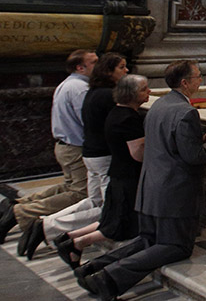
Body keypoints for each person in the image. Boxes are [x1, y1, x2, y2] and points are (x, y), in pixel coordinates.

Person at [77, 61, 206, 301]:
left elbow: (168, 143)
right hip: (174, 195)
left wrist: (199, 139)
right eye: (198, 76)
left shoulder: (158, 105)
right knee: (176, 246)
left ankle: (92, 268)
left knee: (149, 240)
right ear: (185, 82)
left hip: (150, 189)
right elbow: (193, 156)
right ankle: (108, 278)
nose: (201, 80)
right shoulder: (186, 111)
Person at [22, 54, 129, 259]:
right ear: (109, 71)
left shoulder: (90, 90)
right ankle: (50, 227)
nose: (126, 71)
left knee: (93, 200)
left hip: (90, 152)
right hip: (100, 154)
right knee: (110, 207)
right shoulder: (98, 93)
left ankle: (46, 224)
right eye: (122, 67)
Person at [0, 50, 96, 245]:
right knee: (79, 193)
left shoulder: (68, 83)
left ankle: (20, 204)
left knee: (69, 187)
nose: (99, 65)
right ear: (80, 67)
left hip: (65, 146)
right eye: (94, 62)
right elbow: (88, 121)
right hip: (75, 148)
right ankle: (21, 212)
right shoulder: (80, 88)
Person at [56, 74, 150, 269]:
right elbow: (138, 154)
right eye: (144, 89)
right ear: (131, 94)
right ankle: (76, 243)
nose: (148, 92)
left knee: (111, 218)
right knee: (120, 225)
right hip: (128, 176)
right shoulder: (128, 119)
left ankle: (70, 238)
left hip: (117, 173)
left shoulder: (116, 113)